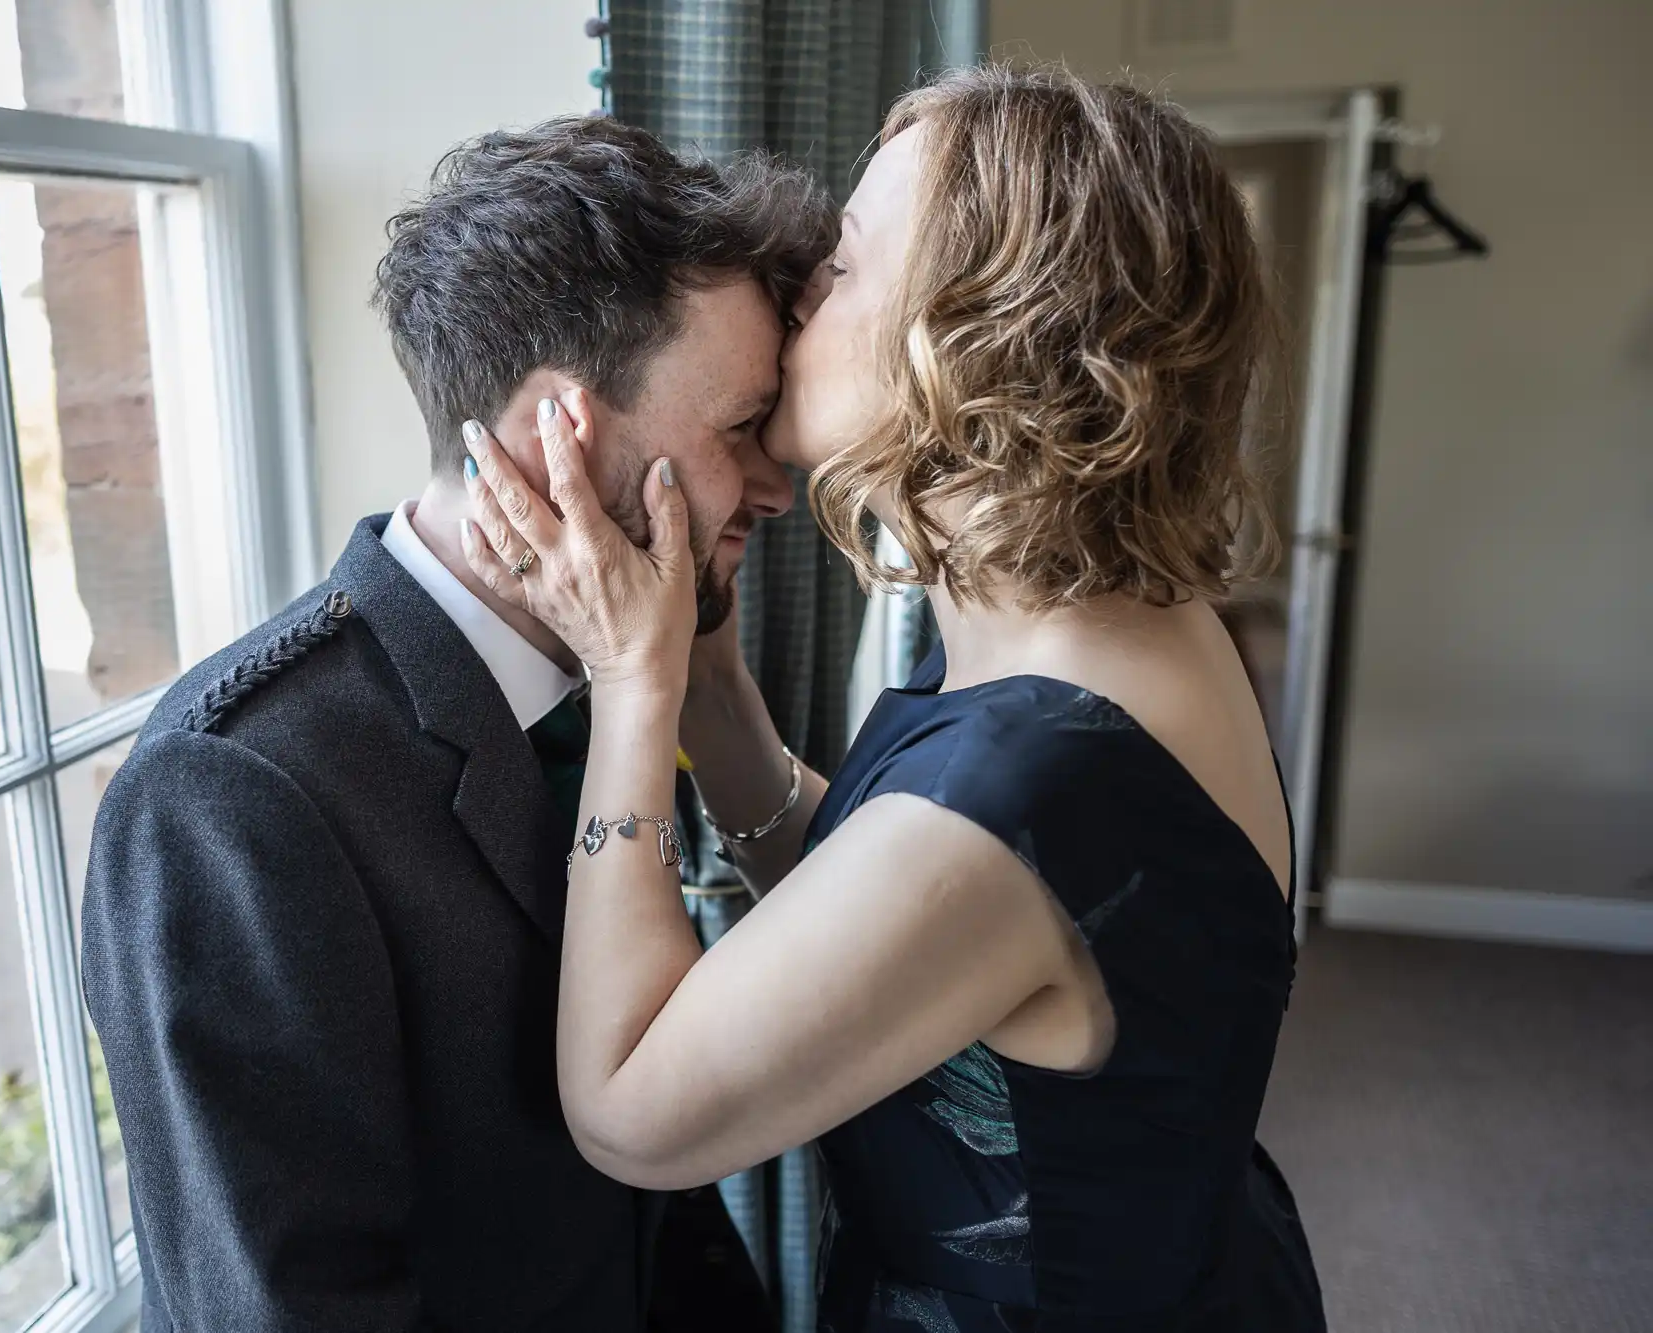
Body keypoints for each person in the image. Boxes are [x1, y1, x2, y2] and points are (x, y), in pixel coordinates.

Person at [457, 64, 1328, 1331]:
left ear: (986, 329)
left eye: (846, 265)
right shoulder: (1073, 604)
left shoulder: (1046, 766)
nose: (800, 292)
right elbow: (898, 901)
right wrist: (711, 689)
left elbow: (628, 1114)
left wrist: (632, 688)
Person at [80, 114, 834, 1331]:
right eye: (739, 426)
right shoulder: (230, 791)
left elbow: (652, 1213)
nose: (773, 485)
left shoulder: (631, 672)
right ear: (557, 433)